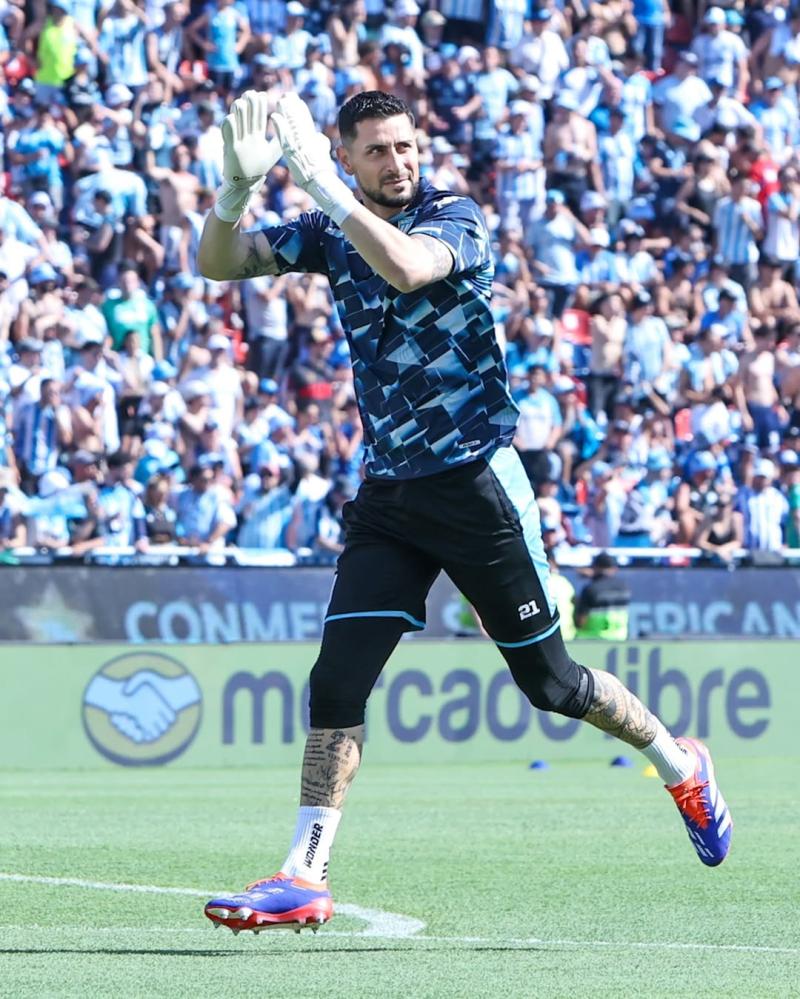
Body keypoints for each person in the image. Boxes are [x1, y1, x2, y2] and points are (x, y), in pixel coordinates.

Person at [198, 90, 733, 935]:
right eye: (377, 150)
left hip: (476, 483)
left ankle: (681, 763)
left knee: (552, 684)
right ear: (348, 155)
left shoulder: (455, 217)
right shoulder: (331, 228)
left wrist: (320, 183)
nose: (398, 161)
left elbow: (407, 268)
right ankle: (304, 873)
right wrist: (234, 192)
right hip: (390, 495)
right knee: (336, 680)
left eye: (406, 145)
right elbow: (219, 263)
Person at [574, 551, 632, 639]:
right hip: (620, 638)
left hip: (592, 639)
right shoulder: (625, 588)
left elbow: (581, 621)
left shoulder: (591, 589)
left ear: (595, 567)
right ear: (615, 568)